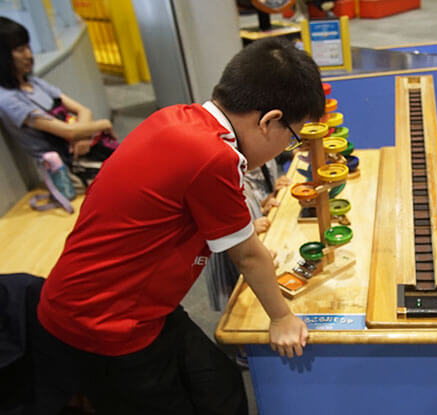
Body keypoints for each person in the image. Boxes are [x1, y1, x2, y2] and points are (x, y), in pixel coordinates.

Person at [32, 37, 324, 414]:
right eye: (292, 139)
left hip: (139, 303)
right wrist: (282, 318)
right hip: (106, 322)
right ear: (269, 122)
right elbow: (248, 257)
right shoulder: (212, 155)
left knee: (219, 384)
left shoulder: (177, 119)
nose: (287, 148)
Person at [0, 17, 115, 200]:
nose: (29, 55)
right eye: (20, 50)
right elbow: (67, 132)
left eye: (28, 47)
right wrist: (101, 124)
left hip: (85, 151)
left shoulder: (34, 83)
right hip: (72, 169)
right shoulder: (9, 100)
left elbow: (84, 111)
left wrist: (81, 136)